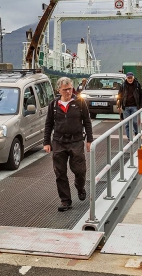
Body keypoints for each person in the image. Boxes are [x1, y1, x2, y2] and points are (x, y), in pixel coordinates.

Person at [44, 77, 93, 212]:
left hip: (76, 141)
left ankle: (79, 186)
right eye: (65, 89)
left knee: (80, 169)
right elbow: (48, 124)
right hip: (59, 142)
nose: (68, 92)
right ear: (58, 90)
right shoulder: (53, 105)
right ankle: (65, 201)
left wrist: (89, 140)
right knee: (60, 172)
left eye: (70, 88)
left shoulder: (79, 103)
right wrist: (46, 142)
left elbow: (87, 122)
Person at [117, 72, 142, 140]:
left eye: (131, 78)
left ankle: (137, 133)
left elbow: (141, 95)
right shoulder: (123, 86)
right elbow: (119, 96)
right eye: (128, 78)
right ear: (126, 78)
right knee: (127, 123)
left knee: (135, 122)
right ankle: (129, 137)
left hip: (135, 106)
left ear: (133, 77)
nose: (130, 79)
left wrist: (141, 105)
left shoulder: (137, 85)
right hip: (125, 107)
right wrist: (119, 106)